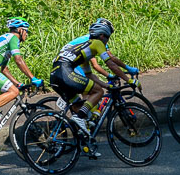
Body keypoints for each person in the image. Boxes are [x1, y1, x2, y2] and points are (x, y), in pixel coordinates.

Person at [48, 19, 138, 153]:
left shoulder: (84, 51)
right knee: (97, 92)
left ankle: (87, 145)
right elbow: (111, 64)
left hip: (55, 74)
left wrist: (107, 85)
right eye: (107, 38)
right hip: (65, 72)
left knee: (80, 105)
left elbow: (89, 74)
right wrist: (128, 79)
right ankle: (79, 118)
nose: (107, 41)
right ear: (102, 36)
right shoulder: (97, 43)